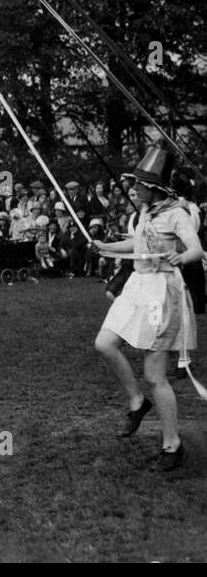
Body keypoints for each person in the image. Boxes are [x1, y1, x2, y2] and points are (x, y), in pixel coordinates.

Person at [91, 144, 202, 470]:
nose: (133, 189)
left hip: (162, 293)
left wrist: (180, 256)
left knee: (155, 375)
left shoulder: (176, 214)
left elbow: (195, 248)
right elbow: (138, 245)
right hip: (137, 287)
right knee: (104, 343)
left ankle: (172, 446)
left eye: (139, 185)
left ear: (154, 188)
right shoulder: (144, 212)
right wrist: (108, 246)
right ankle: (137, 403)